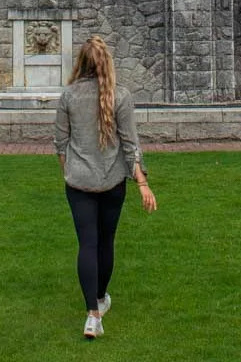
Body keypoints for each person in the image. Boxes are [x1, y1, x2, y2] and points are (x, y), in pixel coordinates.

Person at [53, 34, 157, 339]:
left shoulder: (68, 96)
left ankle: (93, 314)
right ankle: (98, 300)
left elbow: (60, 144)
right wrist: (142, 183)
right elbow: (131, 145)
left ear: (81, 62)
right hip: (112, 182)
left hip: (80, 183)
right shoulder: (121, 95)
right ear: (107, 62)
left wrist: (68, 171)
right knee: (105, 242)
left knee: (88, 244)